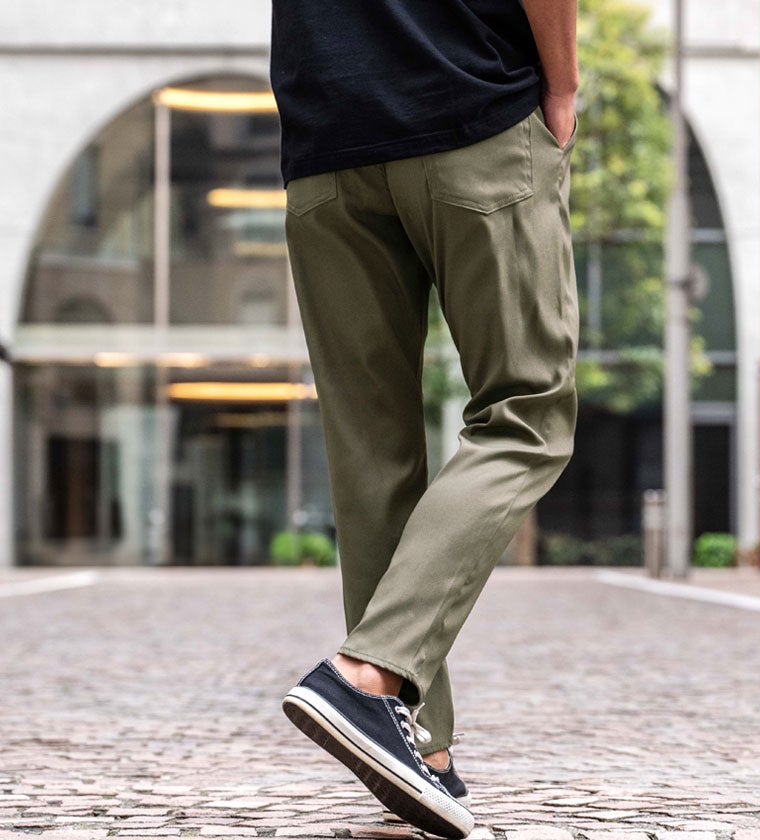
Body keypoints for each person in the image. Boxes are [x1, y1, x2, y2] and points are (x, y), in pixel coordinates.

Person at [270, 1, 579, 837]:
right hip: (470, 107)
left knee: (370, 451)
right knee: (526, 412)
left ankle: (419, 747)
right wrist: (562, 87)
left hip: (325, 133)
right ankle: (368, 674)